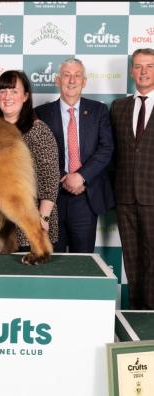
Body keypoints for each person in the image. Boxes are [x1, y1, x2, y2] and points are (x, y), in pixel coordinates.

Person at [0, 70, 59, 252]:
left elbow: (50, 179)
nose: (7, 97)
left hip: (24, 225)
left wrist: (43, 218)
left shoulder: (38, 131)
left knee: (24, 279)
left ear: (25, 97)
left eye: (14, 91)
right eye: (3, 91)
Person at [35, 58, 114, 253]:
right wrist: (65, 177)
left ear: (84, 81)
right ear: (57, 80)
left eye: (77, 75)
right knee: (53, 260)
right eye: (67, 75)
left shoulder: (99, 111)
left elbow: (106, 148)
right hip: (51, 198)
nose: (72, 80)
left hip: (86, 197)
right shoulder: (40, 113)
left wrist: (80, 177)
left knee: (83, 261)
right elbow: (37, 153)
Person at [110, 48, 154, 310]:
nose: (143, 71)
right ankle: (138, 319)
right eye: (138, 66)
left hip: (153, 197)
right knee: (133, 262)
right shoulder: (119, 107)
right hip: (125, 196)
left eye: (149, 66)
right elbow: (112, 152)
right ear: (131, 71)